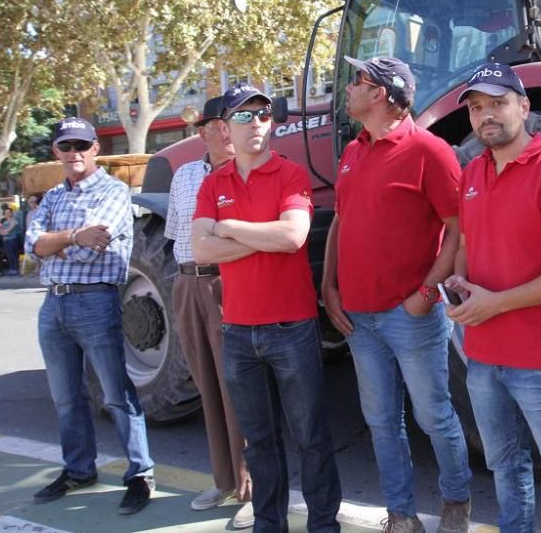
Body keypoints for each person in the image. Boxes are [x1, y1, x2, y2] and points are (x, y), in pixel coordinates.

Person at [443, 63, 541, 533]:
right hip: (484, 356)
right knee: (505, 469)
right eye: (476, 108)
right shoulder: (472, 172)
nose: (486, 115)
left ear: (524, 106)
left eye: (497, 103)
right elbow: (468, 244)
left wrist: (495, 303)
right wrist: (458, 281)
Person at [320, 56, 471, 533]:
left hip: (412, 315)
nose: (347, 88)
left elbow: (458, 229)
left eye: (357, 81)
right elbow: (340, 222)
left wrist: (427, 293)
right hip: (359, 318)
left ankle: (456, 504)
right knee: (382, 422)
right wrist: (329, 285)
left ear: (382, 94)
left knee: (434, 417)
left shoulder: (430, 151)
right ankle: (402, 516)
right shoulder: (353, 151)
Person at [192, 86, 341, 533]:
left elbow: (292, 238)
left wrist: (230, 227)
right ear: (224, 128)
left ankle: (322, 526)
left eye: (262, 114)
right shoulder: (211, 183)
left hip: (291, 327)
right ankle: (268, 524)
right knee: (259, 442)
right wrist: (261, 237)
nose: (255, 122)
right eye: (243, 116)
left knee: (311, 438)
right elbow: (201, 249)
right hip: (238, 331)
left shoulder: (291, 174)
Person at [24, 117, 155, 515]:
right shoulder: (51, 197)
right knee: (66, 398)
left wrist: (57, 244)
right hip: (54, 304)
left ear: (96, 148)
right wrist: (70, 237)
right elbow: (32, 246)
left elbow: (93, 247)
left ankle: (139, 474)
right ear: (56, 151)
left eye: (82, 145)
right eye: (66, 146)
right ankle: (79, 469)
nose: (74, 153)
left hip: (95, 302)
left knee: (117, 395)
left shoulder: (114, 192)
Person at [165, 95, 253, 529]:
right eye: (219, 122)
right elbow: (175, 234)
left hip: (229, 282)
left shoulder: (247, 173)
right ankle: (224, 479)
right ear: (203, 131)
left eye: (231, 122)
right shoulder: (184, 175)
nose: (225, 130)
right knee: (207, 386)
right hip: (187, 282)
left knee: (240, 384)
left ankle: (253, 485)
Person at [0, 205, 22, 275]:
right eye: (6, 212)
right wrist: (3, 232)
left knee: (13, 254)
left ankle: (16, 269)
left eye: (9, 212)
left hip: (12, 239)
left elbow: (8, 230)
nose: (7, 214)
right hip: (5, 240)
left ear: (11, 213)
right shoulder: (4, 221)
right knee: (8, 254)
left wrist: (4, 232)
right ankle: (11, 268)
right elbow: (0, 231)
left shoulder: (14, 220)